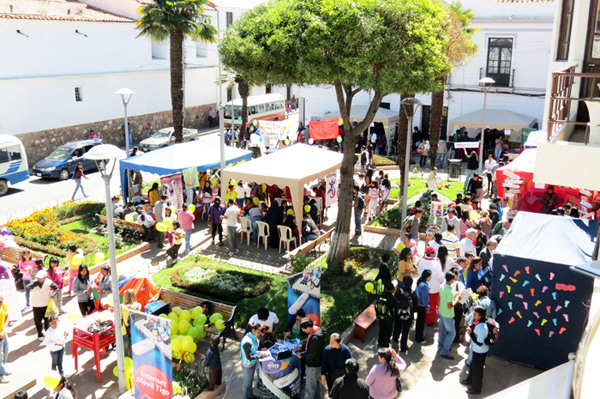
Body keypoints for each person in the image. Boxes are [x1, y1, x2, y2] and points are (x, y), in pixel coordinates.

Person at [295, 317, 326, 399]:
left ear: (309, 327)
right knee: (316, 386)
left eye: (304, 329)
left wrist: (301, 355)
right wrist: (302, 348)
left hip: (313, 365)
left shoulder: (315, 338)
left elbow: (311, 354)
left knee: (310, 388)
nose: (303, 331)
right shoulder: (317, 330)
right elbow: (312, 348)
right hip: (318, 363)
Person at [461, 306, 489, 394]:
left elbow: (480, 342)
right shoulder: (478, 321)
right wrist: (471, 328)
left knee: (477, 370)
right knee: (473, 366)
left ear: (480, 315)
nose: (473, 314)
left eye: (475, 313)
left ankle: (476, 388)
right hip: (476, 350)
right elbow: (473, 325)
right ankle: (469, 380)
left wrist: (471, 333)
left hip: (480, 351)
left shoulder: (481, 327)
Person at [29, 270, 59, 340]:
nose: (39, 279)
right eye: (38, 278)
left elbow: (56, 287)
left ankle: (48, 333)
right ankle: (40, 334)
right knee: (38, 321)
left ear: (44, 277)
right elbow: (28, 287)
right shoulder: (34, 282)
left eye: (41, 278)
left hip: (46, 304)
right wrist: (33, 285)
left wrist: (53, 295)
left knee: (47, 320)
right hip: (36, 305)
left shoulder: (48, 282)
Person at [417, 246, 444, 325]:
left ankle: (424, 318)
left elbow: (419, 272)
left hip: (423, 286)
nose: (435, 253)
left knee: (424, 303)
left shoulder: (422, 261)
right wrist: (441, 281)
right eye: (434, 252)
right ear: (431, 254)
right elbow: (440, 276)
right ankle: (430, 320)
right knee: (432, 304)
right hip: (434, 288)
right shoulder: (436, 262)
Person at [438, 271, 462, 359]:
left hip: (442, 312)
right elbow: (450, 306)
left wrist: (454, 294)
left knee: (442, 330)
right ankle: (444, 351)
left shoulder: (442, 286)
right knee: (452, 333)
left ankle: (440, 347)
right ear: (452, 280)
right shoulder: (449, 291)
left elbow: (440, 297)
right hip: (448, 314)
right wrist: (457, 299)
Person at [393, 275, 415, 352]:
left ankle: (395, 338)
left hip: (398, 314)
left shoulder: (399, 291)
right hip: (408, 316)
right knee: (405, 331)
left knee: (397, 326)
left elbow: (395, 302)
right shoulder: (412, 293)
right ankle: (403, 347)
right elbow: (415, 306)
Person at [375, 282, 398, 348]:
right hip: (388, 318)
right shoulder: (391, 298)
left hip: (380, 316)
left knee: (381, 329)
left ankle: (380, 342)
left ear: (385, 288)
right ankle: (385, 344)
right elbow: (397, 306)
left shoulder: (381, 296)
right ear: (393, 289)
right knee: (388, 331)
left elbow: (376, 305)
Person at [0, 295, 10, 384]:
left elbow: (7, 317)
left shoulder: (3, 305)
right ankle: (1, 375)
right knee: (0, 355)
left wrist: (4, 329)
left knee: (5, 353)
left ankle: (2, 368)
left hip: (3, 334)